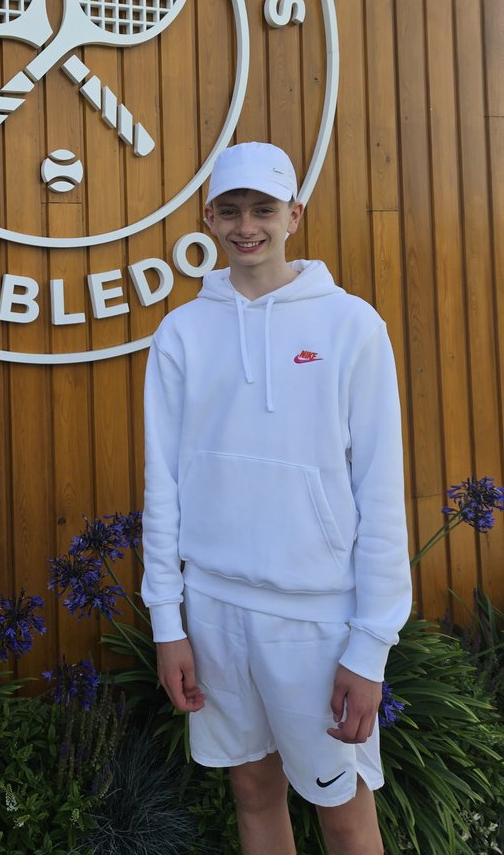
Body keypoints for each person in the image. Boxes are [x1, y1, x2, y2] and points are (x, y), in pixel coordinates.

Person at [141, 142, 412, 855]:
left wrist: (370, 647)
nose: (246, 226)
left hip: (316, 621)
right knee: (254, 794)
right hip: (214, 612)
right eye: (229, 211)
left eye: (262, 209)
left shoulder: (352, 326)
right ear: (208, 219)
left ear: (294, 215)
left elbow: (380, 492)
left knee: (344, 814)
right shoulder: (180, 334)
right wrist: (168, 622)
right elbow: (163, 487)